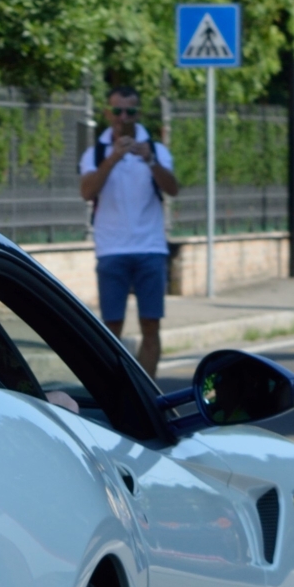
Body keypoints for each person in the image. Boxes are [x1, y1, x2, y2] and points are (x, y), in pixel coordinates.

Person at [77, 86, 180, 376]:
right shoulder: (95, 152)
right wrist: (112, 158)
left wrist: (150, 161)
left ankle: (149, 395)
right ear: (107, 113)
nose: (124, 117)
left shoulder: (157, 150)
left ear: (138, 114)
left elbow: (172, 188)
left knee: (151, 324)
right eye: (118, 111)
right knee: (111, 328)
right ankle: (119, 391)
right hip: (112, 249)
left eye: (130, 111)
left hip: (150, 249)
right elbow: (86, 192)